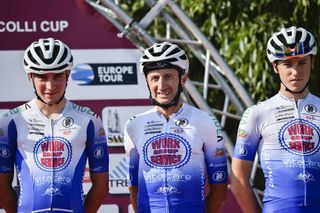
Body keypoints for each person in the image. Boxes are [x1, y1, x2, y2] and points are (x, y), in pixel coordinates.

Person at [0, 38, 109, 213]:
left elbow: (101, 187)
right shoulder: (11, 121)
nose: (50, 86)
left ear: (67, 75)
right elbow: (2, 187)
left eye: (57, 76)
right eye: (42, 77)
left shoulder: (89, 120)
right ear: (31, 77)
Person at [124, 42, 228, 213]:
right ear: (147, 82)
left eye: (168, 76)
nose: (161, 85)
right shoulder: (134, 125)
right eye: (154, 78)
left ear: (183, 80)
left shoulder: (204, 121)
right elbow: (133, 185)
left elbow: (220, 192)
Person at [231, 26, 320, 213]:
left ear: (312, 63)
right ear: (275, 67)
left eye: (302, 63)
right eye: (287, 64)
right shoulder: (257, 113)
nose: (295, 72)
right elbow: (238, 179)